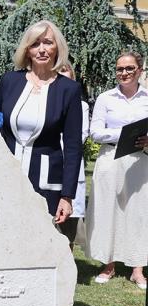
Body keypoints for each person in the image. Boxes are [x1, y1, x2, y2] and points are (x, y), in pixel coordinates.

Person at [0, 20, 83, 224]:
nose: (42, 49)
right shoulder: (9, 81)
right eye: (35, 44)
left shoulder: (68, 89)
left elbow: (73, 146)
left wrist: (67, 196)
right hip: (4, 175)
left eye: (48, 43)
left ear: (57, 47)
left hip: (45, 181)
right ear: (27, 50)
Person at [85, 51, 148, 289]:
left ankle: (137, 269)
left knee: (139, 213)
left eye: (129, 68)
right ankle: (108, 264)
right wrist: (125, 133)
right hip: (110, 157)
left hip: (139, 160)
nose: (124, 73)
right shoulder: (105, 98)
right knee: (107, 210)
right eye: (120, 69)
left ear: (139, 71)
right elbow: (96, 132)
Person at [56, 64, 90, 248]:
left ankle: (67, 263)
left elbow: (80, 135)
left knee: (69, 221)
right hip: (51, 164)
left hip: (69, 163)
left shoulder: (81, 106)